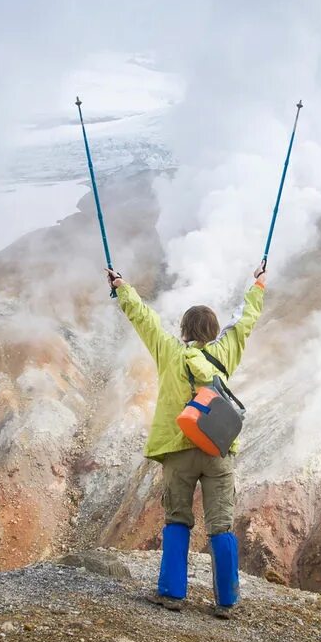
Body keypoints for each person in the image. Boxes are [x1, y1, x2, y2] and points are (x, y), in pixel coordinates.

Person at [106, 263, 267, 618]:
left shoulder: (169, 351)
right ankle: (226, 602)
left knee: (177, 519)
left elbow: (143, 318)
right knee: (221, 524)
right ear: (213, 331)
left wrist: (121, 287)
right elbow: (245, 321)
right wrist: (257, 284)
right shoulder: (226, 352)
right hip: (217, 449)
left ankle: (171, 593)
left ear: (182, 330)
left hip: (179, 448)